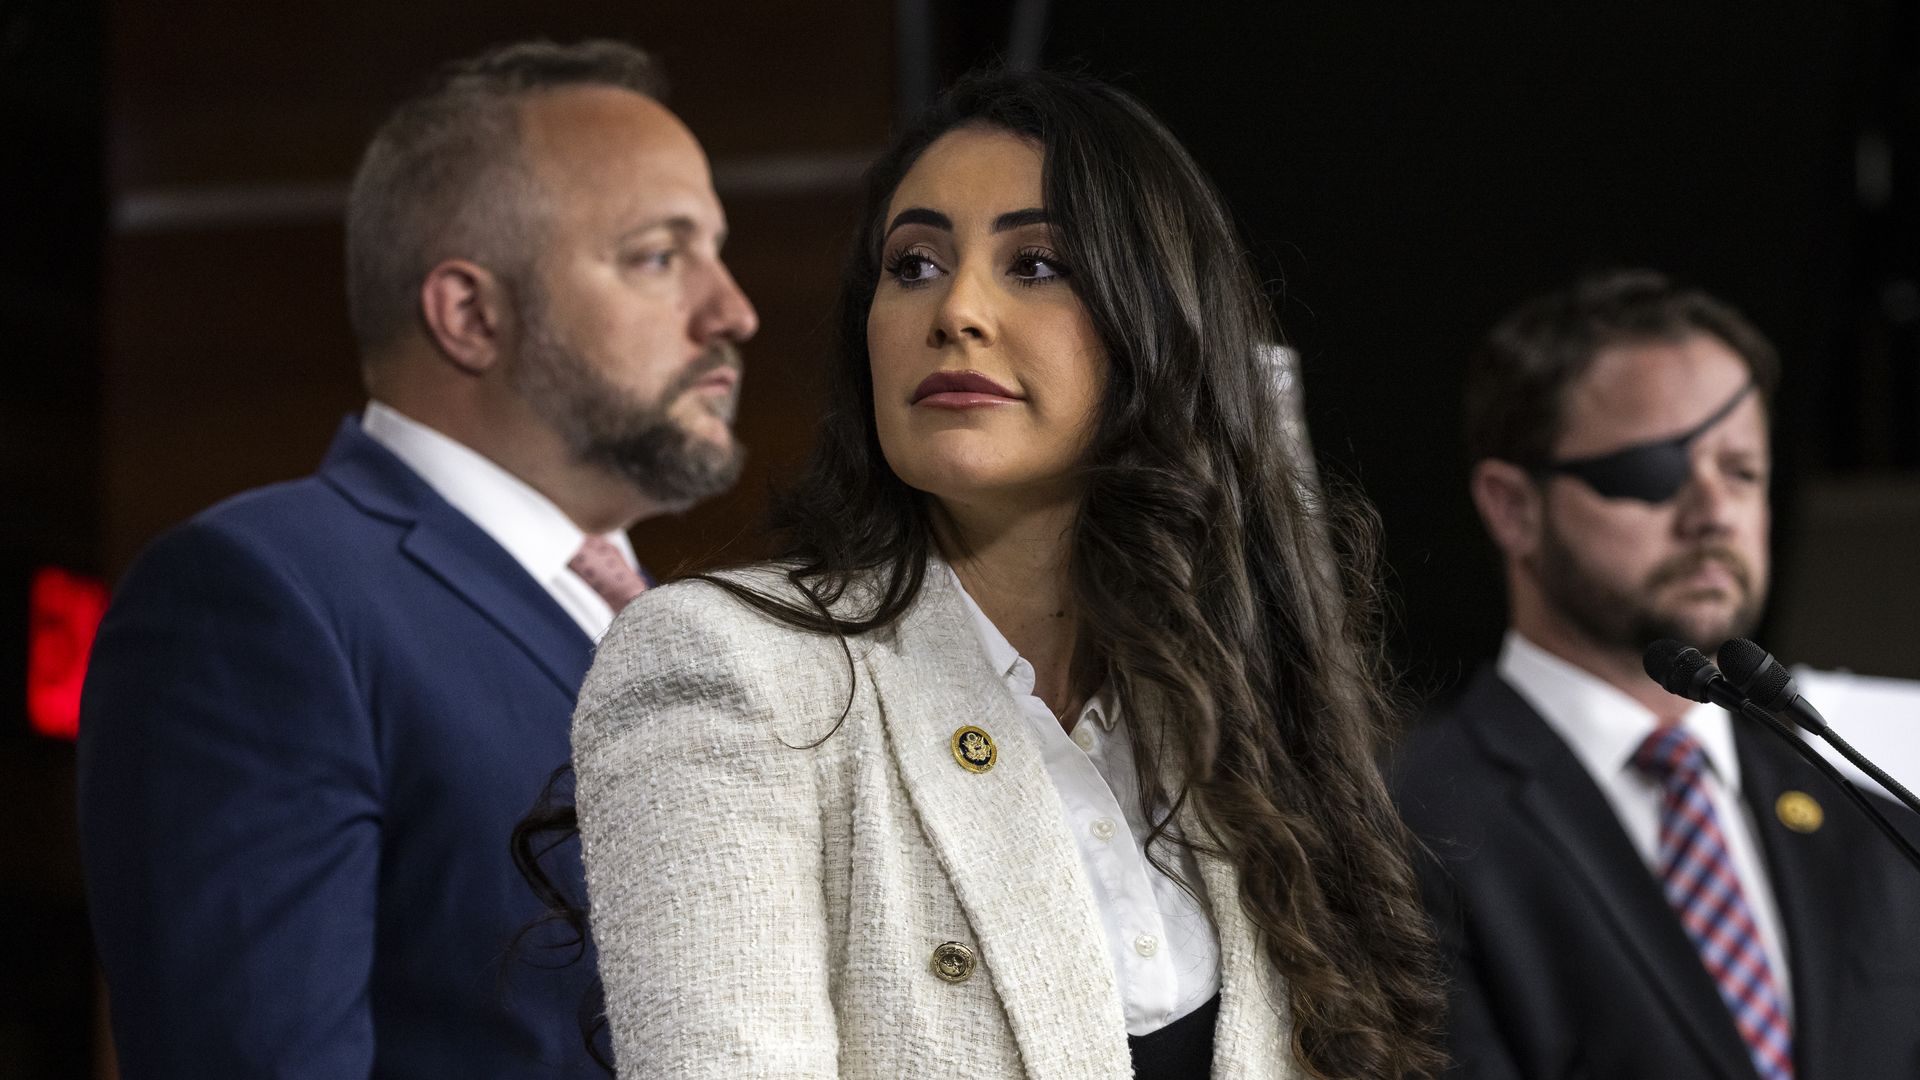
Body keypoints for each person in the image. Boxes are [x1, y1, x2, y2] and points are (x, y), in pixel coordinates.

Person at [567, 69, 1443, 1080]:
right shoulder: (727, 663)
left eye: (1034, 264)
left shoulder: (1222, 695)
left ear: (1154, 324)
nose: (957, 311)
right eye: (914, 264)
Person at [77, 39, 757, 1078]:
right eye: (660, 256)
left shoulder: (688, 633)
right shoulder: (261, 598)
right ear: (471, 314)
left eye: (714, 250)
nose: (732, 312)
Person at [1390, 271, 1920, 1079]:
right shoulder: (1403, 826)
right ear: (1511, 506)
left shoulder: (1869, 817)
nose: (1714, 511)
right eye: (1652, 470)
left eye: (1742, 471)